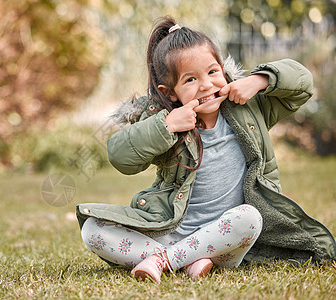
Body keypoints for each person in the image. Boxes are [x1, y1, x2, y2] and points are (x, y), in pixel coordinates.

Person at [76, 16, 336, 283]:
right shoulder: (167, 121)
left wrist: (258, 81)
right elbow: (119, 156)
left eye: (213, 72)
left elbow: (303, 83)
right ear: (172, 92)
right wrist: (166, 126)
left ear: (223, 69)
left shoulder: (248, 108)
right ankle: (189, 258)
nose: (206, 84)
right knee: (92, 230)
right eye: (190, 79)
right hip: (175, 230)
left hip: (226, 242)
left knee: (250, 218)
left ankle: (164, 260)